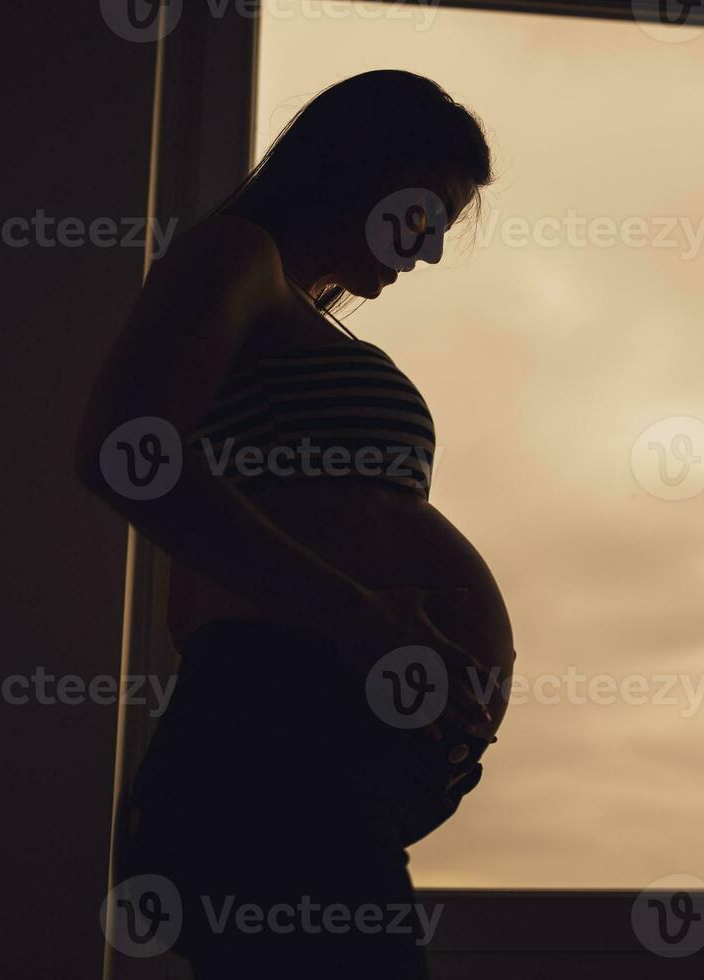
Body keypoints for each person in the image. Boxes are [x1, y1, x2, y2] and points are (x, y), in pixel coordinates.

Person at [75, 69, 515, 977]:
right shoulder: (235, 256)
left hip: (304, 751)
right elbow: (126, 451)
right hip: (273, 747)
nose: (429, 250)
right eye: (425, 212)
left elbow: (205, 560)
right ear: (359, 168)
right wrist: (361, 618)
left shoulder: (291, 316)